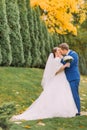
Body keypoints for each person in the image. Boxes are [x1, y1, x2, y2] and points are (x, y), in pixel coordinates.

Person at [10, 47, 78, 121]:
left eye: (60, 50)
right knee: (57, 94)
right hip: (58, 79)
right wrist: (64, 66)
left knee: (62, 94)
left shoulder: (60, 59)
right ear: (55, 52)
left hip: (62, 79)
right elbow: (55, 72)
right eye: (58, 50)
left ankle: (62, 109)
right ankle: (56, 111)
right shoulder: (55, 60)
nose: (60, 51)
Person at [58, 43, 80, 116]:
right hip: (68, 78)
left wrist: (61, 58)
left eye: (61, 50)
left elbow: (68, 65)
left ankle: (78, 111)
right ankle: (72, 110)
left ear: (64, 50)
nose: (60, 52)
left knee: (74, 94)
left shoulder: (74, 54)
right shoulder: (66, 55)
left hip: (73, 77)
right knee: (69, 94)